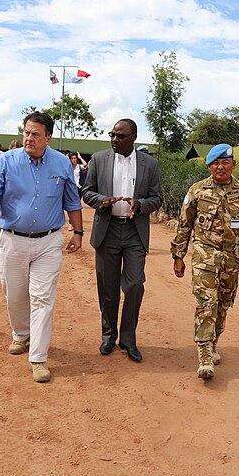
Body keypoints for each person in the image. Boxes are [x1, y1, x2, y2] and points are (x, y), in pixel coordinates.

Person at [0, 111, 83, 383]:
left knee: (42, 298)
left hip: (48, 242)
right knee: (14, 294)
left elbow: (72, 201)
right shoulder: (6, 162)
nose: (29, 138)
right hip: (12, 239)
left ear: (48, 137)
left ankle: (38, 357)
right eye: (26, 132)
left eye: (35, 134)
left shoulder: (61, 164)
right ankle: (20, 334)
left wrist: (78, 232)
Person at [171, 144, 239, 379]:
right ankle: (204, 355)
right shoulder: (197, 191)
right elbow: (184, 225)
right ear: (209, 166)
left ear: (233, 165)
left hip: (231, 259)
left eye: (225, 163)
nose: (220, 167)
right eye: (215, 163)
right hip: (204, 255)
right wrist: (178, 255)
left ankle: (214, 343)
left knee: (223, 304)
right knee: (207, 302)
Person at [81, 119, 162, 363]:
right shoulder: (99, 159)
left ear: (134, 137)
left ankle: (128, 339)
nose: (115, 139)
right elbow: (86, 191)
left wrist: (141, 204)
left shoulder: (150, 164)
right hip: (107, 229)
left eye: (120, 136)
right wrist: (102, 200)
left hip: (135, 231)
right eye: (112, 135)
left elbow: (156, 198)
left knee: (135, 284)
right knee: (107, 287)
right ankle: (109, 334)